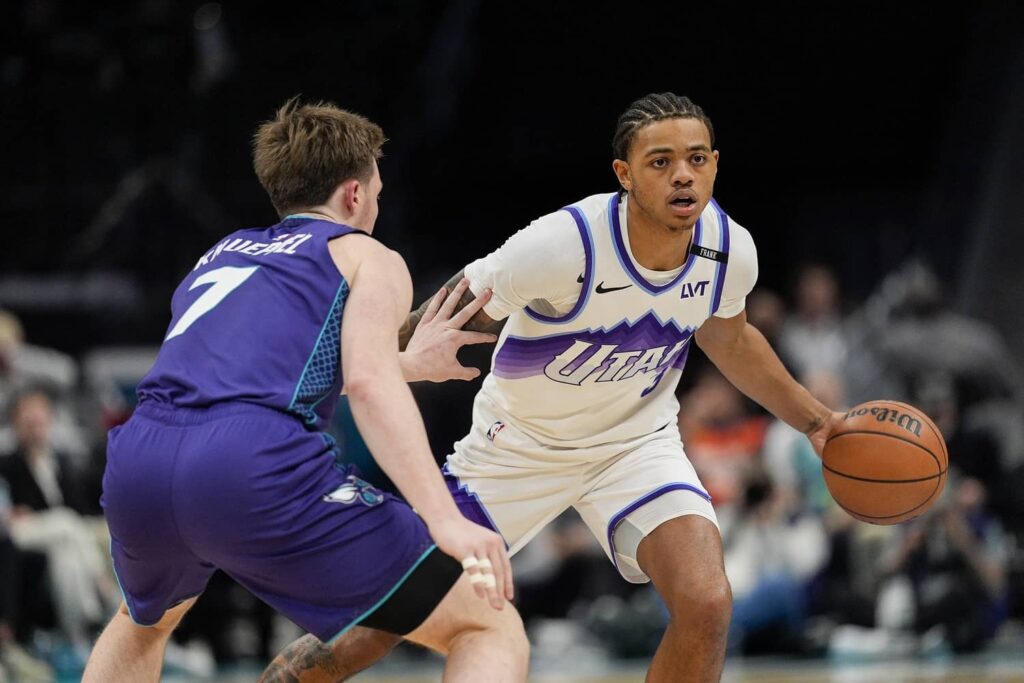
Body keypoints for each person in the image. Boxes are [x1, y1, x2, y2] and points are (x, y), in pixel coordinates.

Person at [262, 92, 844, 683]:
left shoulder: (727, 251)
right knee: (378, 623)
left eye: (696, 159)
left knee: (707, 601)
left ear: (715, 163)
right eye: (661, 161)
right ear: (625, 174)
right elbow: (436, 320)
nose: (683, 176)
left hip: (634, 449)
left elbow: (732, 340)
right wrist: (319, 385)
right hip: (515, 450)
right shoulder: (564, 246)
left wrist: (818, 422)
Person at [82, 99, 529, 683]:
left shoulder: (221, 253)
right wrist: (443, 518)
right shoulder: (368, 255)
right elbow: (365, 385)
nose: (376, 204)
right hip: (247, 466)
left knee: (143, 622)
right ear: (352, 194)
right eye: (376, 191)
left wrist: (405, 364)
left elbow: (248, 379)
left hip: (140, 458)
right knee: (486, 623)